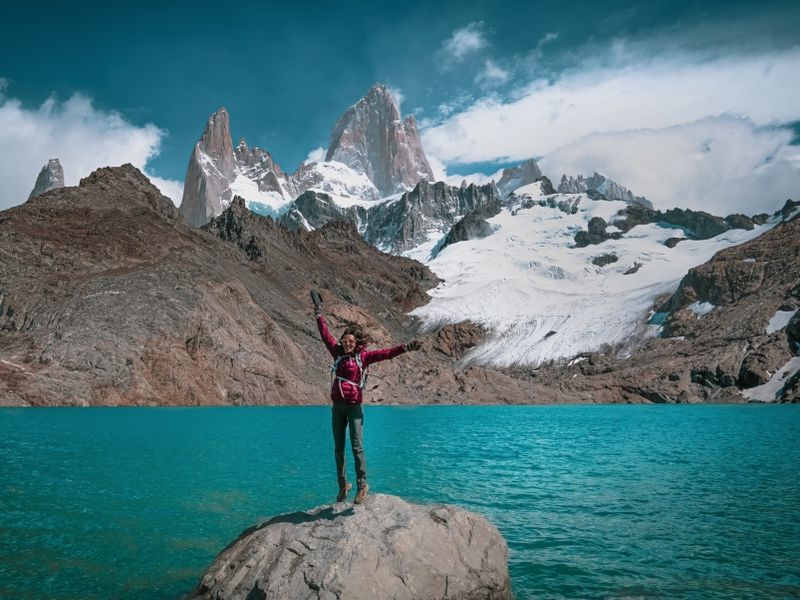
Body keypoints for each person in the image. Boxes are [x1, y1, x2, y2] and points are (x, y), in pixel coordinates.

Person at [312, 290, 421, 504]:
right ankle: (343, 485)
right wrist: (318, 313)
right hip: (337, 408)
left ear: (357, 342)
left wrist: (405, 348)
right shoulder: (337, 353)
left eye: (350, 341)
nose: (347, 343)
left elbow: (387, 353)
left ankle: (362, 486)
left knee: (356, 446)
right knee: (338, 448)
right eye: (345, 340)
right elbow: (325, 334)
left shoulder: (364, 357)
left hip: (354, 409)